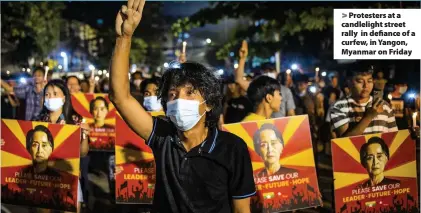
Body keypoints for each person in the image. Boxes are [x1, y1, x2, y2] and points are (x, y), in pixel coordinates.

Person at [110, 1, 255, 212]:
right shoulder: (162, 135)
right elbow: (120, 96)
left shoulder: (232, 148)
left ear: (209, 104)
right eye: (172, 94)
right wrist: (124, 38)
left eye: (189, 93)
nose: (179, 100)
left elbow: (242, 209)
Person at [34, 79, 89, 213]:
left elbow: (83, 153)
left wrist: (85, 135)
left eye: (54, 94)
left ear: (64, 98)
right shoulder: (37, 121)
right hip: (43, 178)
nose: (50, 97)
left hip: (68, 176)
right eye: (47, 95)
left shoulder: (76, 121)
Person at [233, 41, 296, 118]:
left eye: (270, 71)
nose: (268, 73)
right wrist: (242, 59)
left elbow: (291, 113)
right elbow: (239, 79)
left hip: (280, 128)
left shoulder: (286, 91)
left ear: (276, 73)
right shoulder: (258, 87)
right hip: (259, 126)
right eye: (265, 71)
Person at [330, 70, 398, 137]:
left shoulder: (385, 106)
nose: (366, 85)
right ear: (349, 83)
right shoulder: (339, 107)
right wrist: (368, 117)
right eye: (360, 81)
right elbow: (344, 142)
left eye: (369, 81)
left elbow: (394, 138)